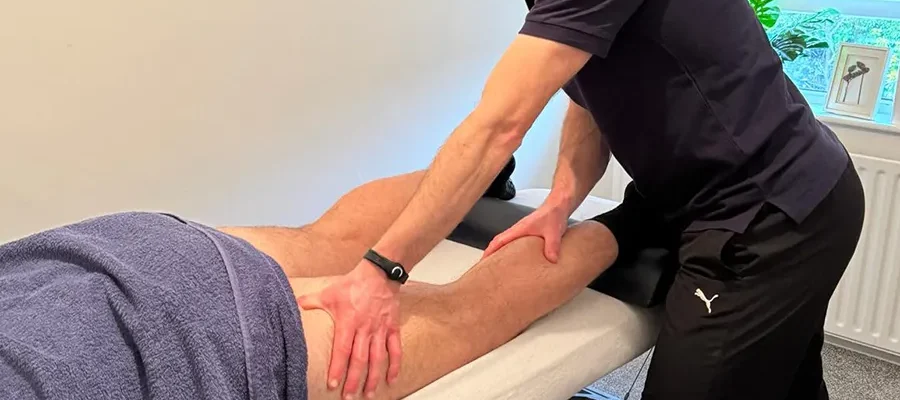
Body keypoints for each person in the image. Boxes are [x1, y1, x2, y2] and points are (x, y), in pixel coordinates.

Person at [300, 0, 867, 399]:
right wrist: (563, 197)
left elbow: (498, 126)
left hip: (771, 216)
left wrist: (381, 272)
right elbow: (592, 90)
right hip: (727, 197)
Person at [0, 171, 618, 400]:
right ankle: (467, 177)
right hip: (108, 253)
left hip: (208, 341)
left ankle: (628, 229)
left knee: (464, 311)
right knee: (325, 238)